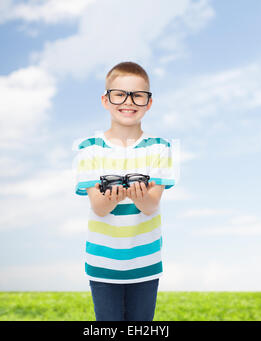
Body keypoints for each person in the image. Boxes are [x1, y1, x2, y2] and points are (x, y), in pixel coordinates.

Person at [73, 61, 176, 321]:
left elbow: (151, 206)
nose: (128, 101)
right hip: (102, 265)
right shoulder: (89, 148)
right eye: (119, 94)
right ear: (106, 100)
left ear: (148, 102)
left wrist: (140, 197)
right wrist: (114, 197)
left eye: (137, 95)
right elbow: (98, 207)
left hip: (146, 263)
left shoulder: (160, 148)